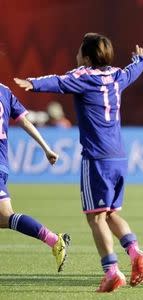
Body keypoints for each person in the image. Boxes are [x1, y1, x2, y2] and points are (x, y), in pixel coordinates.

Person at [14, 33, 143, 293]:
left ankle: (111, 271)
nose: (76, 56)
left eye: (79, 52)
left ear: (86, 58)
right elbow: (135, 70)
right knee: (110, 214)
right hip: (120, 156)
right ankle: (135, 252)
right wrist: (140, 58)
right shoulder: (117, 76)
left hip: (97, 157)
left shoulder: (84, 76)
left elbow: (59, 82)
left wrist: (32, 83)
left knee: (95, 218)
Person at [0, 83, 69, 273]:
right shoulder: (5, 91)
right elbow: (25, 121)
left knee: (5, 216)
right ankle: (54, 240)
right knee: (2, 218)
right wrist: (46, 148)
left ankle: (55, 240)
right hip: (2, 164)